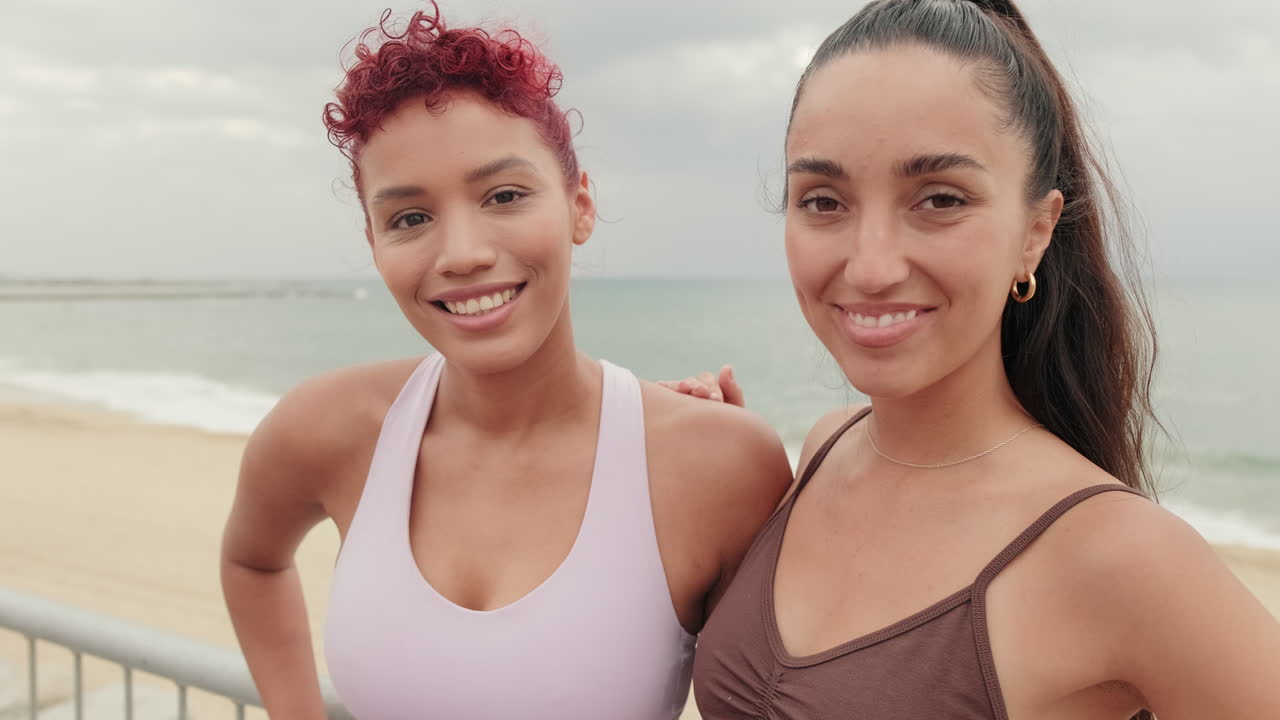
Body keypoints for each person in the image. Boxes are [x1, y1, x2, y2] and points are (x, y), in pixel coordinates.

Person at [676, 1, 1280, 717]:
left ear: (1036, 231)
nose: (870, 267)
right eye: (824, 201)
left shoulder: (1121, 557)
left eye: (938, 198)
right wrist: (689, 469)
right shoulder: (822, 451)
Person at [218, 5, 792, 719]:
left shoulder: (720, 467)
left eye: (505, 195)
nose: (462, 253)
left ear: (580, 205)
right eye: (410, 218)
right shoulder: (329, 428)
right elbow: (251, 561)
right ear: (373, 242)